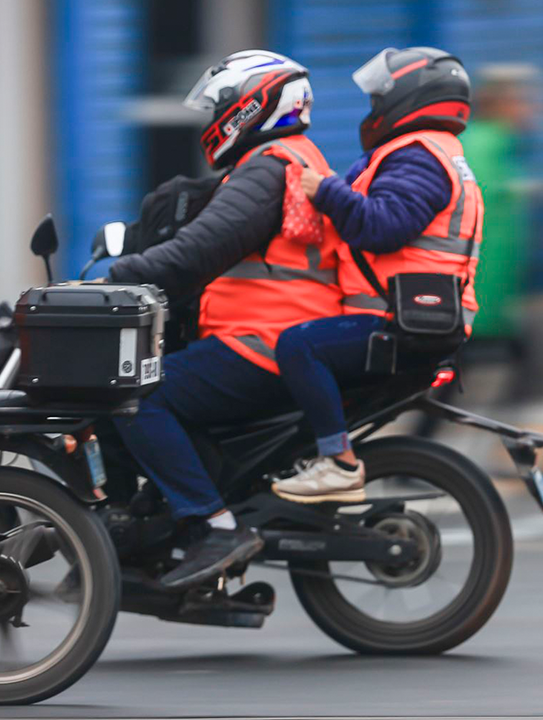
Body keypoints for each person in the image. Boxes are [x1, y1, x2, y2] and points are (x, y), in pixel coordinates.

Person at [106, 50, 344, 589]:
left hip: (264, 343)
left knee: (134, 394)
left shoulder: (267, 170)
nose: (212, 120)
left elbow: (197, 252)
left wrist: (122, 275)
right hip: (274, 338)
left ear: (252, 106)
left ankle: (214, 527)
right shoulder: (290, 160)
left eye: (220, 107)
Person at [271, 47, 483, 503]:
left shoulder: (419, 157)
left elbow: (383, 226)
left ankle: (339, 463)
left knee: (298, 346)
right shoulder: (431, 152)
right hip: (416, 315)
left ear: (411, 98)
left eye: (377, 99)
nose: (372, 109)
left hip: (404, 321)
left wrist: (325, 190)